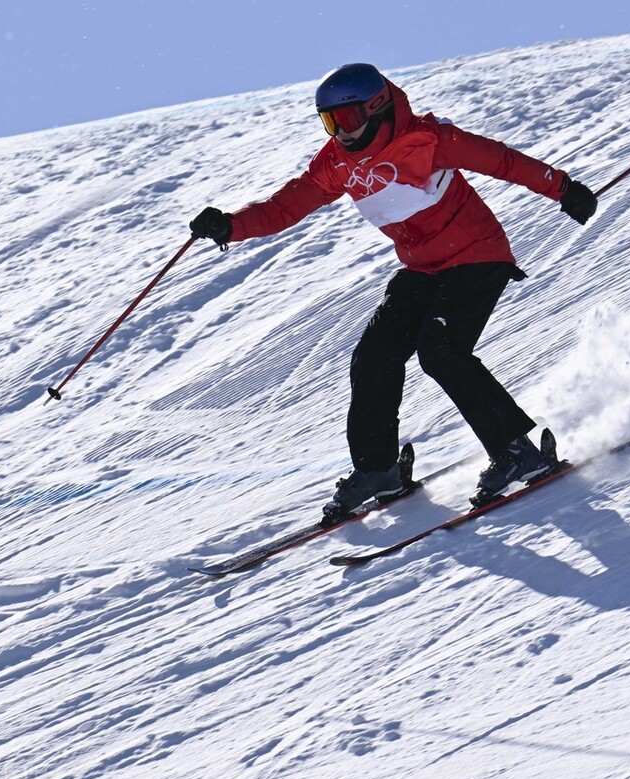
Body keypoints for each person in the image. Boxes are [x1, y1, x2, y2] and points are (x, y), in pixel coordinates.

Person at [189, 63, 598, 526]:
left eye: (345, 120)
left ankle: (516, 451)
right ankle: (379, 469)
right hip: (423, 266)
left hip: (476, 255)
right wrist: (231, 224)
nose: (339, 133)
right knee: (374, 354)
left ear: (378, 107)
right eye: (329, 123)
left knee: (440, 351)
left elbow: (502, 161)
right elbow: (288, 205)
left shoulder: (430, 140)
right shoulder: (335, 163)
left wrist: (562, 188)